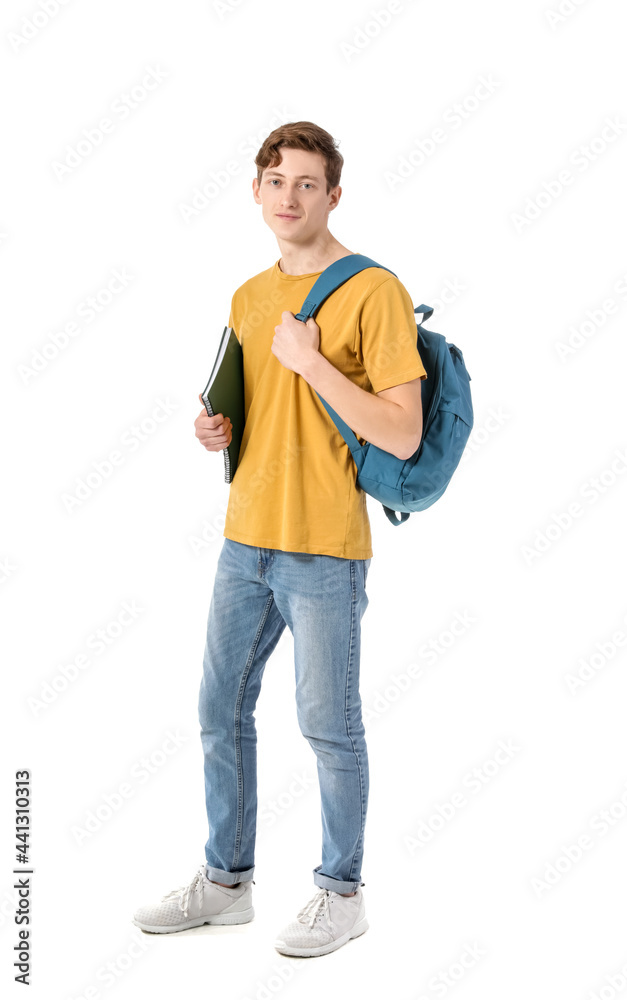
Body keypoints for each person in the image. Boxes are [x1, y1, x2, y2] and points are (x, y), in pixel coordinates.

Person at [133, 121, 427, 958]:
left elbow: (401, 433)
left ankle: (341, 894)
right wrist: (215, 427)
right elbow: (264, 410)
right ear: (256, 192)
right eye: (275, 181)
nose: (289, 197)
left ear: (334, 195)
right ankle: (226, 884)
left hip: (323, 547)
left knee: (327, 726)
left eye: (307, 182)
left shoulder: (375, 291)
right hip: (242, 542)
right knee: (217, 710)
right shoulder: (247, 296)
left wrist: (310, 361)